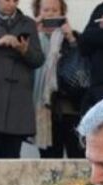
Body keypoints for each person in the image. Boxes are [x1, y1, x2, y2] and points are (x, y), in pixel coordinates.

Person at [0, 0, 43, 158]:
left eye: (15, 1)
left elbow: (39, 58)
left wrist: (24, 50)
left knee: (12, 157)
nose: (10, 4)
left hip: (17, 101)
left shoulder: (28, 23)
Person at [31, 0, 81, 159]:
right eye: (46, 10)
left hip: (69, 108)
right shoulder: (31, 38)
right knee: (49, 161)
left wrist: (70, 37)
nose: (50, 14)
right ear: (38, 12)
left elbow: (82, 67)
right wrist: (32, 32)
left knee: (76, 157)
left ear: (62, 13)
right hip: (43, 110)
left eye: (55, 10)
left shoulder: (73, 37)